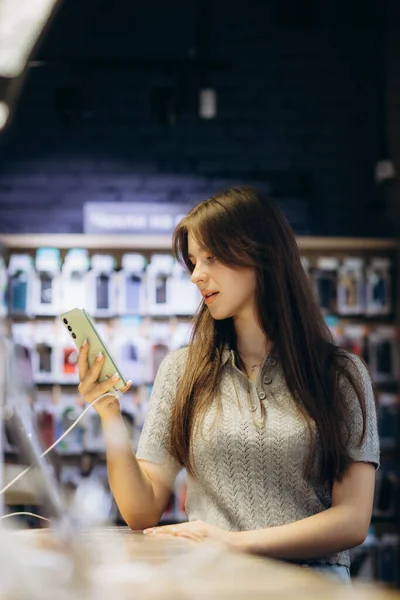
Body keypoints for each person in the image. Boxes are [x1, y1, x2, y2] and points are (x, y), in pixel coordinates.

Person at [77, 187, 379, 584]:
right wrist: (108, 412)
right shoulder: (182, 371)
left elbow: (353, 521)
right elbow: (141, 510)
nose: (197, 274)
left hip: (312, 585)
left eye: (212, 257)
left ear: (261, 255)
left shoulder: (340, 374)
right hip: (212, 582)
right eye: (192, 261)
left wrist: (230, 542)